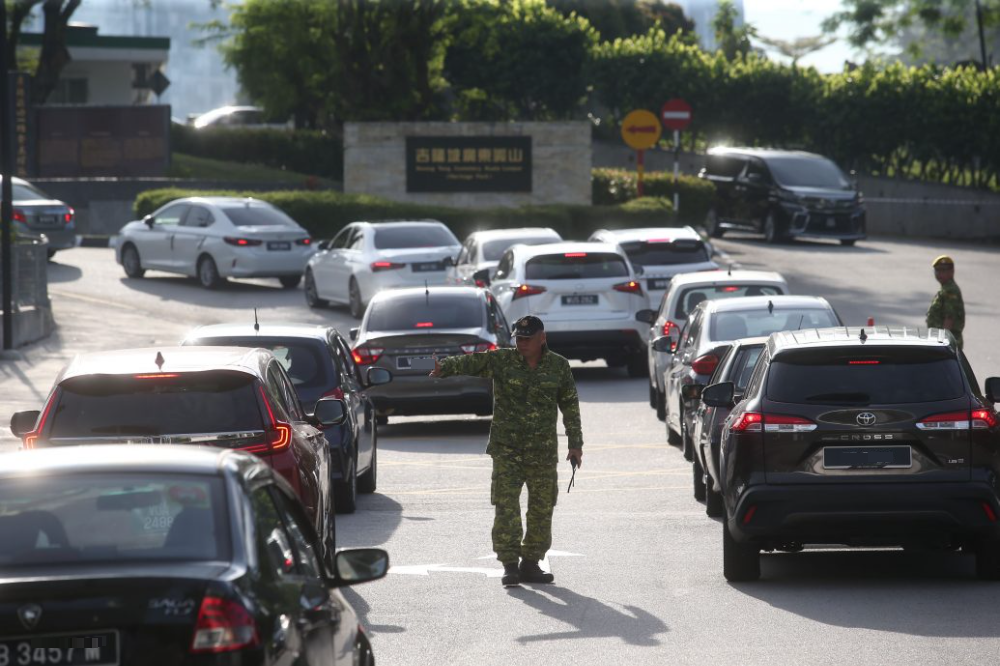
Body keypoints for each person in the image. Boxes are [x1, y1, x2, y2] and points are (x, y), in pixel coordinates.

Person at [430, 315, 583, 587]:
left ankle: (531, 562)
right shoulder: (502, 360)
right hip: (507, 450)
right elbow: (473, 362)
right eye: (518, 339)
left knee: (542, 508)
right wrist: (445, 368)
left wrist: (575, 444)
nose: (521, 343)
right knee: (506, 506)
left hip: (542, 452)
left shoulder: (558, 366)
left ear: (542, 338)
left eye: (527, 339)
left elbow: (570, 405)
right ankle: (510, 564)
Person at [925, 255, 965, 350]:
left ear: (952, 272)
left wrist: (942, 342)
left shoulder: (950, 291)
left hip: (947, 342)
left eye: (943, 270)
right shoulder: (945, 289)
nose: (939, 274)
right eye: (937, 270)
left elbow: (949, 317)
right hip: (944, 340)